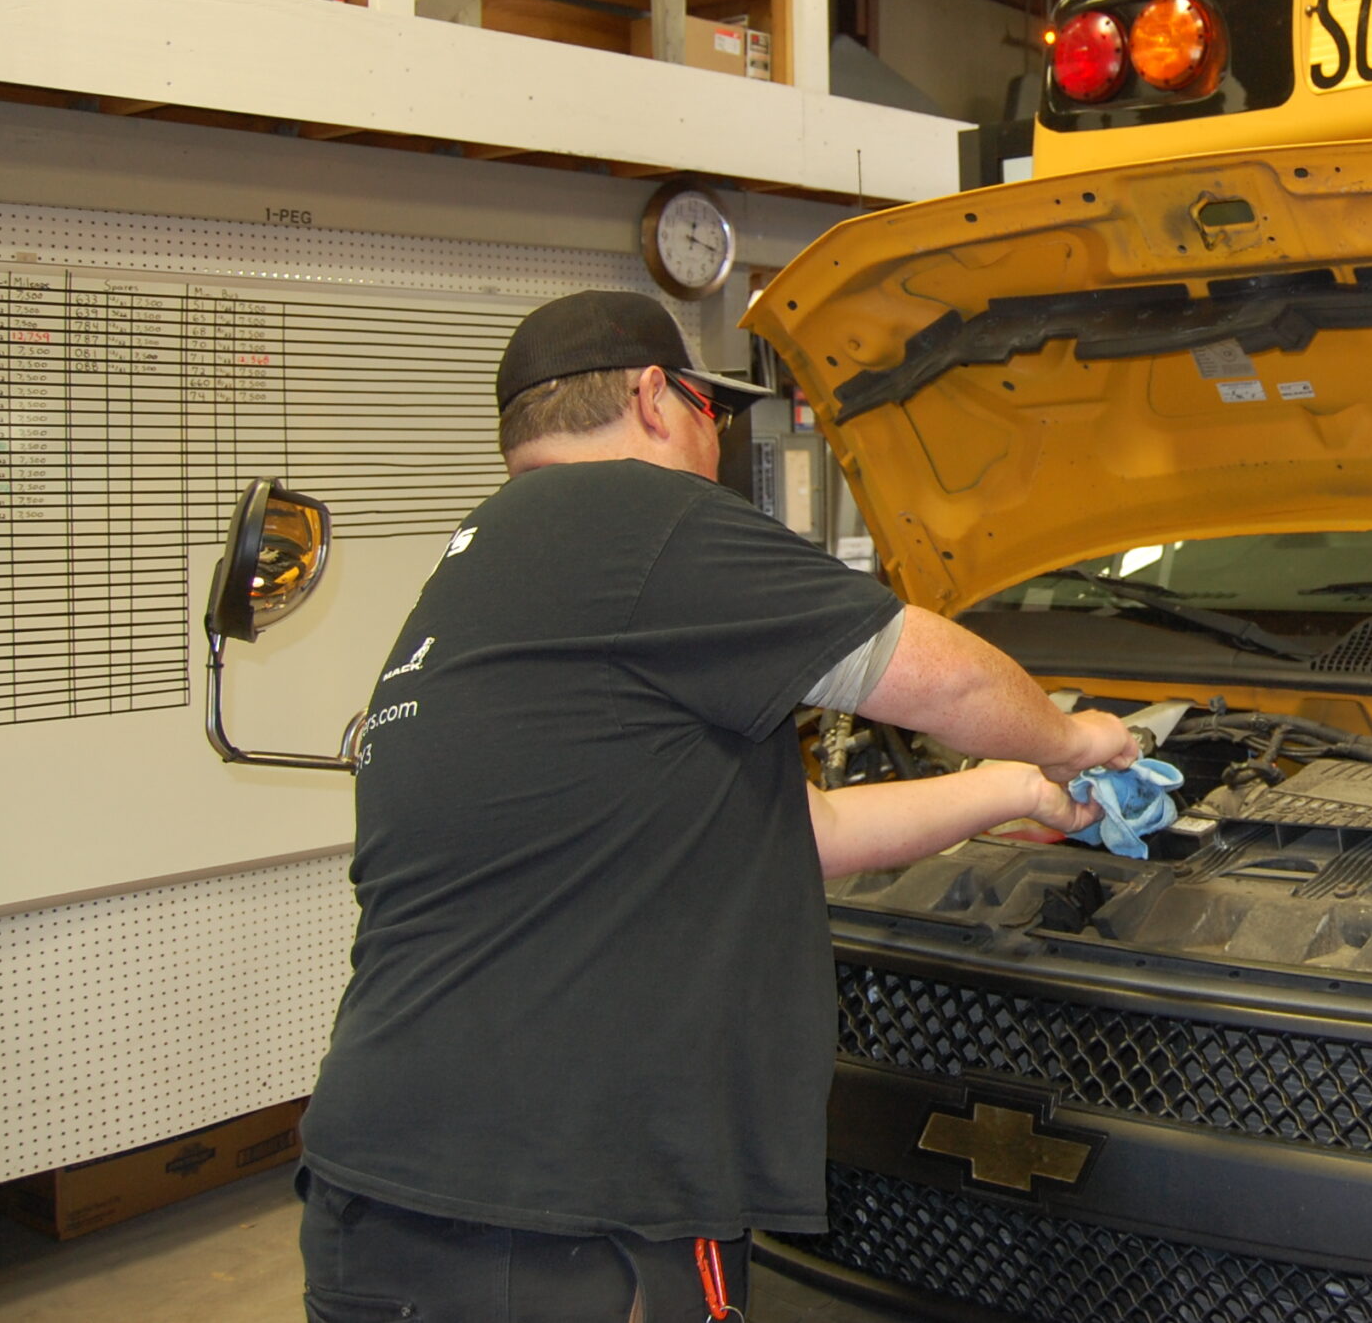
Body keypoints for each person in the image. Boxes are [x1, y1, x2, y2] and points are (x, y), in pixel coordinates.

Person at [296, 289, 1136, 1322]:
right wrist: (1076, 735)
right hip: (572, 1209)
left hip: (380, 1190)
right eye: (713, 411)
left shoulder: (487, 565)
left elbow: (800, 831)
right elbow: (942, 679)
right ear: (655, 396)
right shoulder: (641, 521)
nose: (716, 441)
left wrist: (1006, 789)